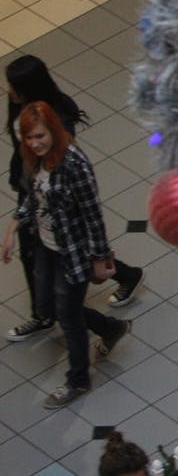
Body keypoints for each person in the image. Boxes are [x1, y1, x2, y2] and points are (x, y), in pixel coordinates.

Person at [2, 101, 132, 408]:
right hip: (45, 244)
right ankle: (111, 327)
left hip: (73, 251)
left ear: (53, 132)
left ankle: (78, 380)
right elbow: (34, 197)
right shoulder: (34, 159)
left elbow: (93, 215)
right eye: (28, 138)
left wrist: (100, 258)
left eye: (39, 136)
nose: (34, 144)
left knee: (69, 316)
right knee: (48, 305)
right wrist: (13, 226)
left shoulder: (74, 164)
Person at [5, 56, 143, 338]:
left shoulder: (56, 114)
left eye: (13, 84)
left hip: (50, 193)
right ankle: (43, 313)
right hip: (31, 185)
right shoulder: (19, 106)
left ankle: (121, 279)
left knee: (59, 250)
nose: (8, 89)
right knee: (35, 253)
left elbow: (62, 160)